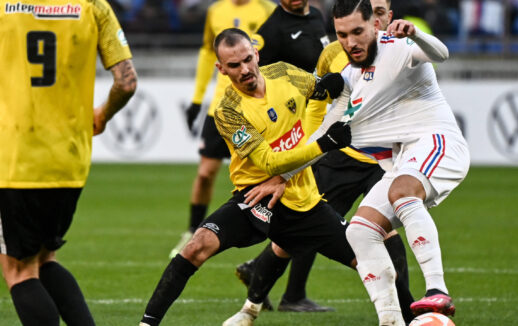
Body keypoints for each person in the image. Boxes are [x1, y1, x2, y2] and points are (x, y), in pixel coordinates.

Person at [139, 27, 354, 326]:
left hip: (303, 200)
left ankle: (410, 315)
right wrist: (324, 144)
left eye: (247, 60)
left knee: (369, 258)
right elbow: (268, 162)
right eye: (234, 66)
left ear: (256, 53)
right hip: (256, 197)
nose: (244, 70)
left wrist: (331, 84)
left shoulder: (284, 72)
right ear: (221, 69)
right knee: (196, 246)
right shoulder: (227, 112)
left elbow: (319, 90)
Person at [0, 1, 136, 325]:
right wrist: (103, 115)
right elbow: (126, 82)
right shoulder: (92, 5)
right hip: (70, 161)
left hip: (18, 163)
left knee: (19, 271)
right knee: (44, 259)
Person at [234, 0, 414, 320]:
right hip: (341, 158)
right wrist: (310, 149)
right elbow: (318, 103)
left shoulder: (403, 50)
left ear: (389, 16)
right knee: (306, 232)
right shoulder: (334, 53)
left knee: (387, 234)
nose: (378, 19)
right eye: (371, 13)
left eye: (382, 12)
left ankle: (408, 311)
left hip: (383, 161)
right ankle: (261, 290)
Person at [329, 0, 469, 324]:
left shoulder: (401, 46)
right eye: (344, 34)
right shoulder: (352, 74)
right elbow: (324, 135)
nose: (354, 39)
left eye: (379, 14)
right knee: (360, 231)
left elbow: (440, 53)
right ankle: (390, 320)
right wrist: (281, 173)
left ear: (382, 19)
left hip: (438, 142)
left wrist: (417, 34)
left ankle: (438, 289)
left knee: (403, 190)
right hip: (404, 158)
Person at [169, 0, 276, 262]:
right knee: (205, 174)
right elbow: (208, 52)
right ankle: (193, 231)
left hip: (255, 107)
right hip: (220, 108)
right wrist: (197, 98)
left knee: (269, 175)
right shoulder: (216, 11)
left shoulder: (266, 10)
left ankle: (273, 246)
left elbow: (274, 53)